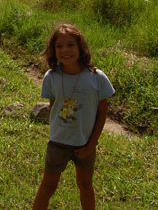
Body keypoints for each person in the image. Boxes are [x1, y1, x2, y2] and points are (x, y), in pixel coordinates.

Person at [32, 23, 115, 210]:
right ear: (53, 50)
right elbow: (54, 108)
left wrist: (91, 145)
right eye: (59, 46)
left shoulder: (97, 77)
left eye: (70, 44)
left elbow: (102, 113)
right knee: (47, 188)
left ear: (80, 47)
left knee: (85, 186)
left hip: (85, 143)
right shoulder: (51, 77)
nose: (65, 50)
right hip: (58, 143)